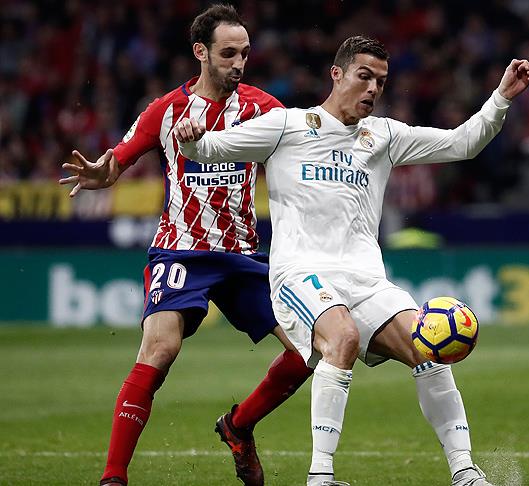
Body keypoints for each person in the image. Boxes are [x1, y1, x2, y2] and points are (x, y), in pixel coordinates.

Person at [175, 35, 529, 486]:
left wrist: (501, 98)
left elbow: (462, 143)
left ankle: (464, 470)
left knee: (428, 348)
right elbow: (209, 149)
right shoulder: (287, 125)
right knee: (341, 337)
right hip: (301, 273)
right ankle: (320, 477)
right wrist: (191, 139)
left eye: (381, 81)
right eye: (364, 77)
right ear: (337, 74)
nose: (373, 89)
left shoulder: (383, 135)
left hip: (366, 280)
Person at [58, 5, 312, 485]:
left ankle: (238, 426)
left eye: (245, 54)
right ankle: (113, 478)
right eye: (228, 53)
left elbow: (305, 152)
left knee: (310, 350)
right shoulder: (165, 110)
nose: (239, 63)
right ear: (201, 52)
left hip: (242, 255)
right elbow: (116, 163)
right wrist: (100, 174)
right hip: (181, 251)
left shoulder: (265, 109)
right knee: (159, 349)